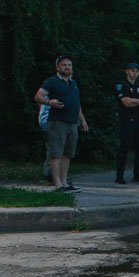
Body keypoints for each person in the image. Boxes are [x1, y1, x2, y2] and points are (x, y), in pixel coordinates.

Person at [35, 53, 88, 192]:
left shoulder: (73, 83)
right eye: (64, 65)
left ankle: (65, 183)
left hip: (72, 123)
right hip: (57, 122)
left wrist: (82, 120)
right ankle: (57, 184)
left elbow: (77, 104)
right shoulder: (52, 81)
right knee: (56, 154)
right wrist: (49, 102)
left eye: (69, 65)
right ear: (57, 67)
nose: (67, 67)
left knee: (67, 154)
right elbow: (38, 96)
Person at [114, 62, 139, 184]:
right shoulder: (122, 85)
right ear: (127, 71)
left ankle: (138, 174)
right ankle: (119, 176)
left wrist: (134, 101)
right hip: (127, 119)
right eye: (132, 70)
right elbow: (126, 102)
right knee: (124, 147)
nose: (134, 73)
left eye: (136, 71)